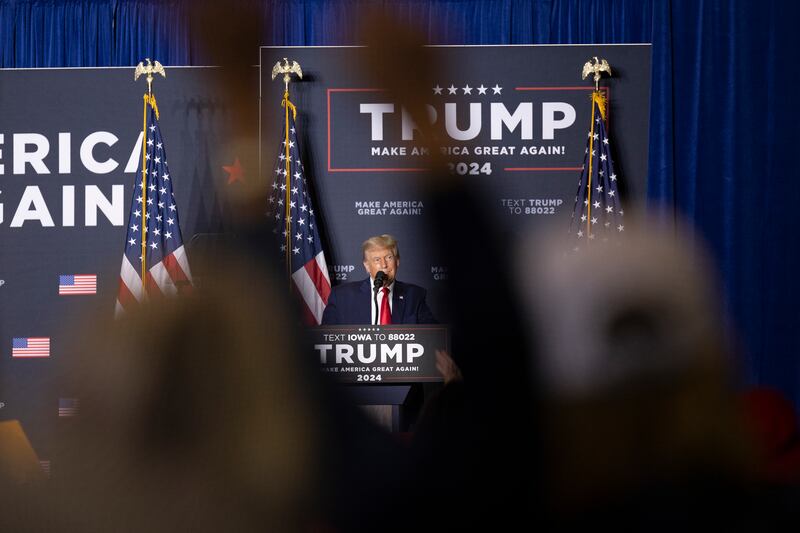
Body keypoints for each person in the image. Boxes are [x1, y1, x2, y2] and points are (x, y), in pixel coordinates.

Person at [321, 234, 437, 325]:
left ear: (397, 262)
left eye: (389, 257)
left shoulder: (414, 295)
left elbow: (432, 338)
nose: (384, 265)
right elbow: (326, 339)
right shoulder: (342, 296)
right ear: (366, 266)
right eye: (377, 259)